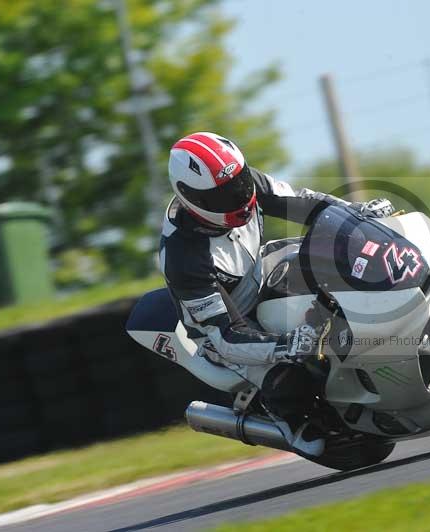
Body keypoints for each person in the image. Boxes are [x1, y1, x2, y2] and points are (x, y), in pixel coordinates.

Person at [160, 131, 393, 455]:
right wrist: (286, 345)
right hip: (226, 326)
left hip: (260, 267)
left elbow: (307, 205)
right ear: (192, 198)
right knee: (289, 384)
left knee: (336, 257)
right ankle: (289, 420)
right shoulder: (184, 258)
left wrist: (355, 214)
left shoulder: (247, 185)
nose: (239, 198)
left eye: (239, 183)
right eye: (222, 196)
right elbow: (227, 335)